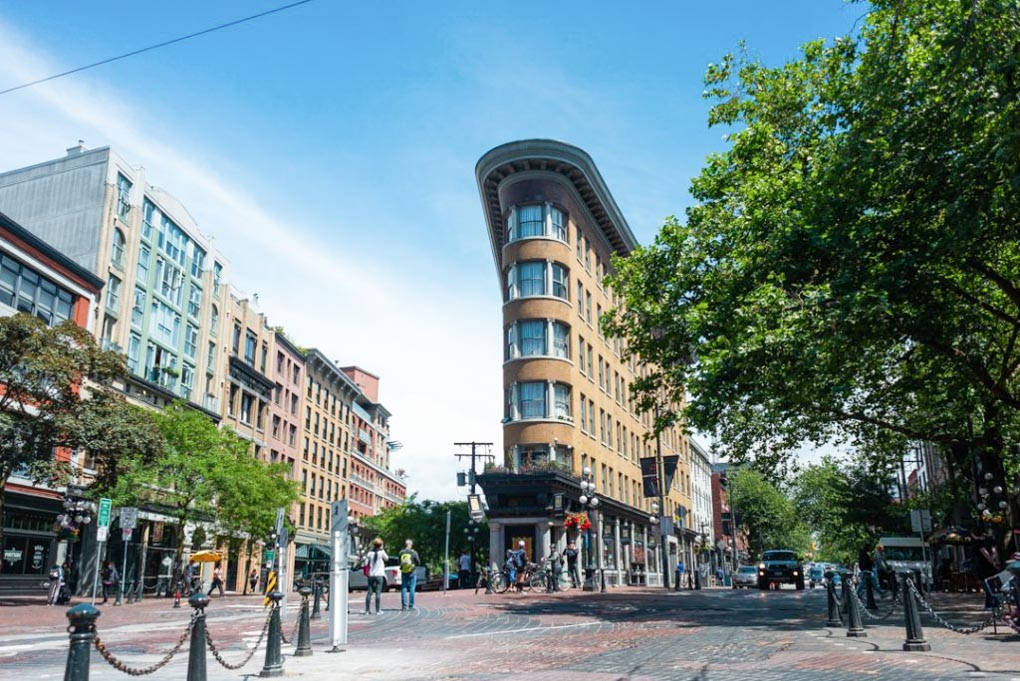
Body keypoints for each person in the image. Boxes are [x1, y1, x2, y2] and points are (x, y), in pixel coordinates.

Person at [363, 537, 388, 615]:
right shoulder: (382, 552)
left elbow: (365, 564)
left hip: (371, 574)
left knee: (369, 592)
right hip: (379, 574)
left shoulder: (369, 553)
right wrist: (382, 549)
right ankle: (378, 610)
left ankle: (367, 610)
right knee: (378, 592)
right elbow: (387, 559)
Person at [399, 539, 421, 610]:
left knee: (404, 588)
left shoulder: (401, 552)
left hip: (404, 572)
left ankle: (404, 606)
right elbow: (418, 562)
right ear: (411, 545)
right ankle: (411, 605)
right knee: (412, 588)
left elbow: (399, 562)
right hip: (412, 572)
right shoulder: (413, 552)